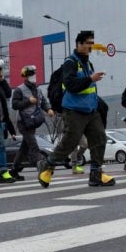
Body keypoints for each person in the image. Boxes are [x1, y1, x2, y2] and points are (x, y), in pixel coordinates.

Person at [37, 30, 116, 188]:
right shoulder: (70, 63)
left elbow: (91, 89)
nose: (91, 46)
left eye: (92, 43)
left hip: (90, 109)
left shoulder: (88, 63)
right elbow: (71, 85)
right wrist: (90, 79)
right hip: (74, 110)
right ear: (79, 44)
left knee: (99, 138)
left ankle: (96, 174)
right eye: (88, 43)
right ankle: (47, 164)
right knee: (70, 142)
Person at [11, 65, 54, 179]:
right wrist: (28, 101)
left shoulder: (37, 89)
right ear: (24, 77)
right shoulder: (19, 90)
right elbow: (15, 105)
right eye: (30, 75)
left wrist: (48, 109)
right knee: (33, 145)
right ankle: (43, 166)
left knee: (24, 148)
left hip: (33, 122)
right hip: (23, 122)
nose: (32, 77)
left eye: (33, 74)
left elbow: (43, 102)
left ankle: (14, 170)